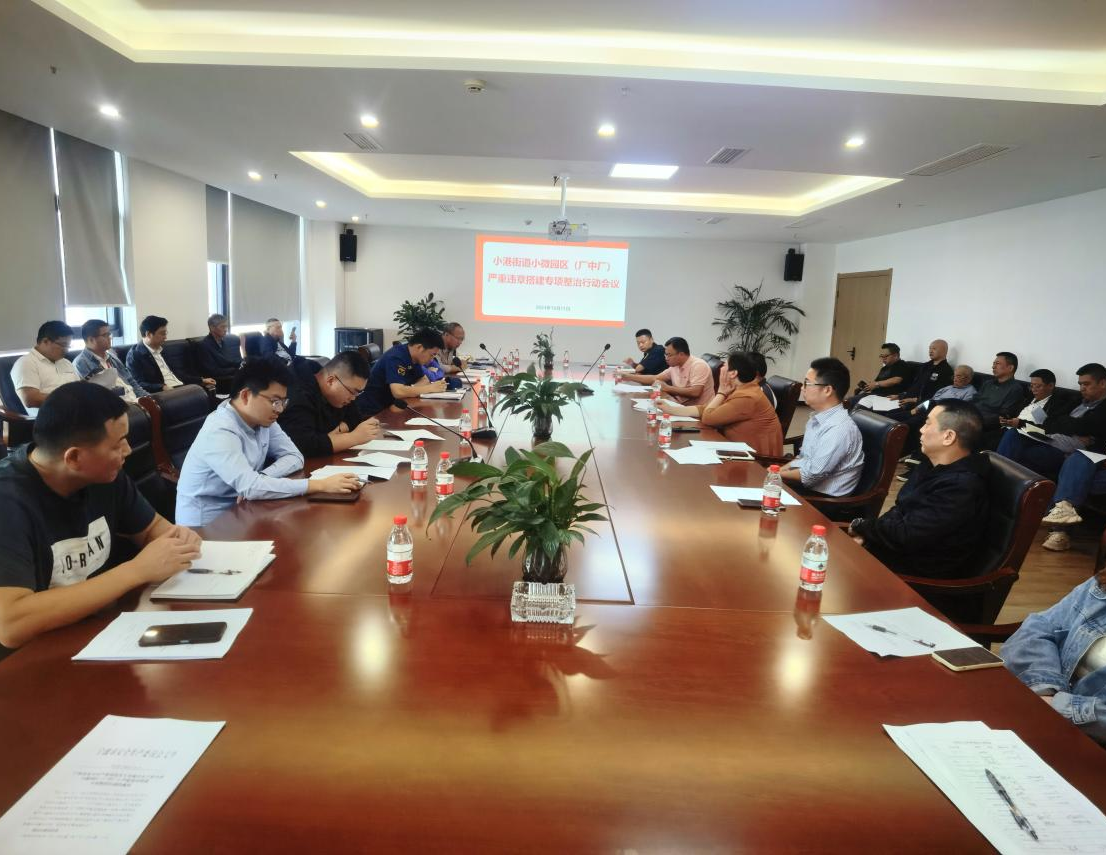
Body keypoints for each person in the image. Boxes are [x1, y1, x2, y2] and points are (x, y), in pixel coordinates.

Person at [0, 383, 203, 649]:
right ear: (74, 458)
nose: (128, 450)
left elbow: (153, 528)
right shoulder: (9, 501)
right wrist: (135, 571)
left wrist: (177, 541)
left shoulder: (104, 475)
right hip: (31, 655)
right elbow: (10, 623)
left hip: (100, 633)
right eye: (118, 444)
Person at [175, 359, 362, 525]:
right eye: (275, 401)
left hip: (244, 510)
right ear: (246, 395)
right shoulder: (220, 430)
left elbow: (295, 457)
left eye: (283, 402)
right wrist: (319, 485)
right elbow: (250, 487)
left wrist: (262, 477)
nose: (280, 409)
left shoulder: (262, 419)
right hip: (207, 525)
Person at [848, 400, 989, 578]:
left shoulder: (961, 486)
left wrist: (864, 528)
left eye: (928, 423)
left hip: (915, 576)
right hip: (894, 554)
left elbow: (906, 535)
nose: (921, 429)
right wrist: (869, 536)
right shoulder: (932, 465)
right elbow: (900, 510)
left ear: (948, 437)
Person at [1001, 568, 1106, 745]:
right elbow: (1037, 627)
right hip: (1046, 717)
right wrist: (1046, 691)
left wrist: (1059, 707)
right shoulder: (1100, 587)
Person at [996, 363, 1106, 483]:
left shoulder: (1058, 402)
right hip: (1046, 434)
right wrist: (1069, 424)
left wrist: (1065, 423)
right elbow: (1051, 422)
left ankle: (999, 479)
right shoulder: (1077, 400)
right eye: (1080, 384)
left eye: (1086, 384)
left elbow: (1085, 426)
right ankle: (996, 475)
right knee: (1013, 433)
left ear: (1102, 383)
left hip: (1061, 445)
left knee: (1022, 452)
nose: (1082, 388)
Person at [658, 351, 782, 455]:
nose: (721, 368)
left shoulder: (748, 396)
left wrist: (721, 392)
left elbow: (708, 418)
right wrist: (671, 409)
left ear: (733, 373)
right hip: (735, 449)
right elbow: (707, 409)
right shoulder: (742, 388)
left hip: (755, 459)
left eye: (724, 365)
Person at [780, 357, 864, 497]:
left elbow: (810, 475)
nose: (802, 388)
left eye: (807, 383)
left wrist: (775, 474)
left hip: (822, 501)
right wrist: (777, 472)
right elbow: (803, 459)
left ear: (827, 390)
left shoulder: (839, 428)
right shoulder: (817, 419)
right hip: (807, 490)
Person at [279, 351, 382, 457]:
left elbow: (355, 417)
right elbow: (303, 445)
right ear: (331, 381)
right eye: (352, 392)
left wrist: (336, 432)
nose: (353, 398)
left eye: (358, 393)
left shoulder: (337, 388)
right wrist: (354, 437)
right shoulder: (297, 394)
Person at [357, 329, 448, 416]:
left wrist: (409, 390)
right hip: (375, 410)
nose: (431, 360)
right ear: (420, 347)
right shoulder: (396, 357)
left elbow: (424, 380)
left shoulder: (414, 357)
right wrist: (430, 388)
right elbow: (398, 392)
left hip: (395, 406)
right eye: (432, 355)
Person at [898, 365, 978, 458]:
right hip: (924, 409)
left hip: (939, 415)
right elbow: (931, 399)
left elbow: (960, 409)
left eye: (959, 376)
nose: (955, 378)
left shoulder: (970, 392)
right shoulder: (948, 388)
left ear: (968, 379)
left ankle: (901, 452)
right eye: (955, 375)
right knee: (890, 416)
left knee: (903, 425)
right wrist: (917, 408)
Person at [127, 315, 215, 392]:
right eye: (162, 333)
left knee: (206, 393)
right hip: (164, 393)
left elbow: (177, 374)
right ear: (149, 334)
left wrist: (201, 380)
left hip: (180, 386)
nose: (165, 337)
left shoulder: (162, 349)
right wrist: (161, 387)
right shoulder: (135, 355)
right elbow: (137, 384)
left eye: (166, 333)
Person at [619, 337, 715, 406]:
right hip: (679, 405)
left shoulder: (698, 365)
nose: (666, 358)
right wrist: (627, 376)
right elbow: (655, 378)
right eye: (665, 355)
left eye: (669, 355)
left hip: (698, 410)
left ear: (681, 354)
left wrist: (667, 388)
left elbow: (695, 392)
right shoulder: (675, 366)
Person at [73, 319, 149, 403]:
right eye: (105, 335)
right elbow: (97, 396)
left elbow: (131, 381)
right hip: (117, 405)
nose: (110, 338)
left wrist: (148, 398)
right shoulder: (81, 363)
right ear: (91, 339)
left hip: (135, 401)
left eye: (109, 334)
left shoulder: (112, 356)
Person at [10, 321, 80, 412]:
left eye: (68, 346)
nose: (66, 350)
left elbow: (79, 388)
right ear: (45, 341)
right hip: (50, 416)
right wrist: (69, 399)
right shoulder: (26, 363)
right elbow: (30, 399)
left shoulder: (66, 363)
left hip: (74, 411)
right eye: (63, 345)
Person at [876, 339, 954, 416]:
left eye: (934, 348)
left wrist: (914, 400)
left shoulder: (946, 371)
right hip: (906, 401)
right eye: (930, 348)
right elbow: (914, 385)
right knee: (881, 413)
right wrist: (900, 395)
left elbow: (938, 396)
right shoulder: (925, 366)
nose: (930, 351)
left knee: (888, 416)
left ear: (944, 351)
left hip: (919, 405)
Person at [975, 352, 1028, 447]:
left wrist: (976, 418)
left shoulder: (1015, 389)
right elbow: (975, 400)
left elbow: (1004, 415)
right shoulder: (988, 383)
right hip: (971, 416)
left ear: (1010, 368)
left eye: (997, 363)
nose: (993, 367)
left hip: (987, 423)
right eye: (993, 363)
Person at [847, 343, 912, 407]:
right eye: (881, 356)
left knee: (850, 402)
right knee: (853, 397)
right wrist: (870, 386)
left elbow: (896, 380)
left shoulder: (902, 365)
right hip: (876, 395)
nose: (883, 359)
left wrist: (876, 384)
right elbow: (876, 382)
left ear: (895, 355)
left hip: (888, 397)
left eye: (885, 356)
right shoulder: (884, 368)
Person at [196, 313, 242, 391]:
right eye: (223, 327)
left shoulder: (224, 342)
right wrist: (235, 370)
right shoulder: (204, 345)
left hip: (228, 374)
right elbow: (212, 371)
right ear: (212, 328)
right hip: (218, 380)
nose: (226, 329)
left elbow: (227, 361)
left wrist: (242, 363)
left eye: (226, 326)